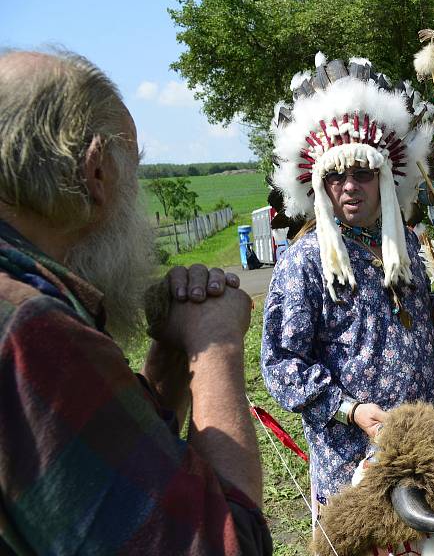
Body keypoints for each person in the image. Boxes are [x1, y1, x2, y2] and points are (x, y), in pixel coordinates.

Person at [0, 49, 272, 555]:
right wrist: (214, 345)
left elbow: (111, 474)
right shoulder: (29, 330)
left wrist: (172, 358)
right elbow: (223, 545)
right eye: (134, 169)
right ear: (97, 172)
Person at [260, 54, 434, 552]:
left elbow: (418, 320)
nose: (349, 186)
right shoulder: (305, 261)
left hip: (426, 449)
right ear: (318, 184)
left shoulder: (405, 243)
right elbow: (280, 364)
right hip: (357, 460)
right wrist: (349, 410)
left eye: (361, 173)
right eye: (335, 176)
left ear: (385, 177)